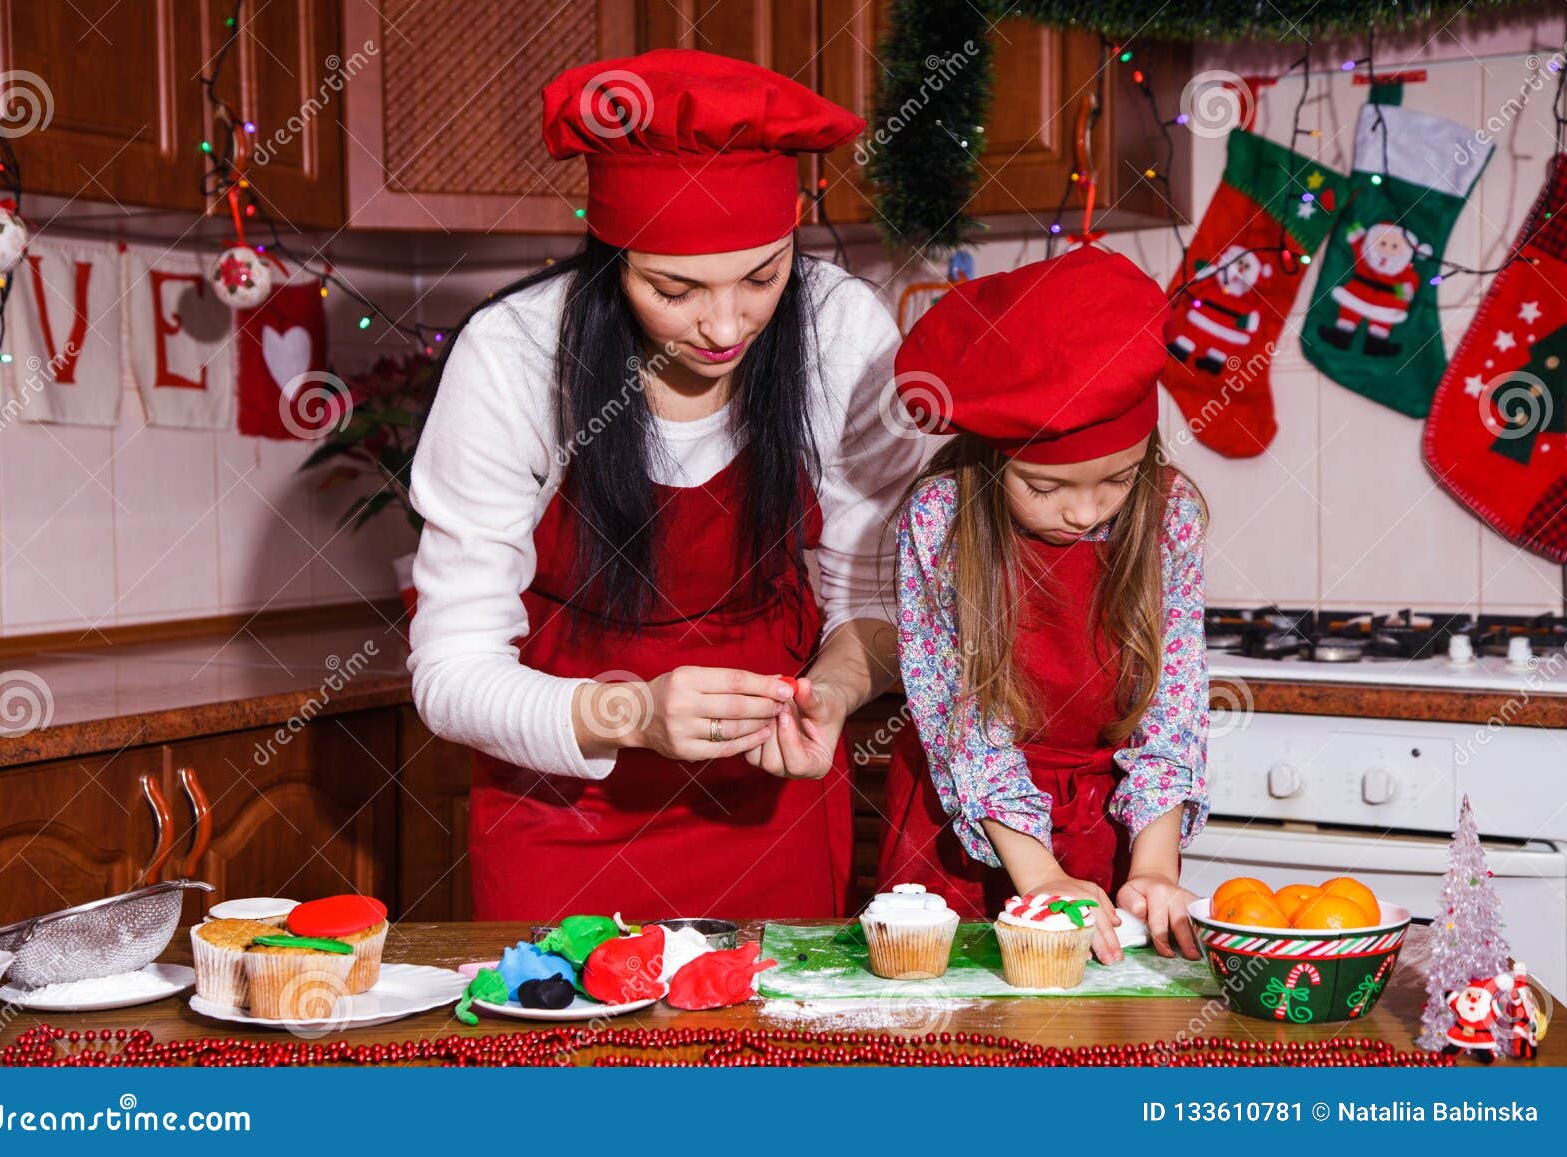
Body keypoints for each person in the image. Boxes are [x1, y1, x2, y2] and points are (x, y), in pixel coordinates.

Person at [406, 49, 925, 920]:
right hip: (565, 813)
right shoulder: (516, 358)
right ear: (613, 261)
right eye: (675, 288)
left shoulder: (841, 331)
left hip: (770, 809)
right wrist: (632, 712)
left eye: (763, 276)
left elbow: (873, 599)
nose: (726, 326)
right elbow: (450, 672)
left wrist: (832, 692)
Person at [876, 246, 1211, 963]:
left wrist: (1153, 867)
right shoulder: (940, 520)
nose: (1083, 512)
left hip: (1106, 826)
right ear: (991, 458)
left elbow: (1172, 712)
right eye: (1045, 486)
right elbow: (961, 721)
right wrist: (1043, 878)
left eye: (1116, 479)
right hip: (966, 833)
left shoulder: (1170, 514)